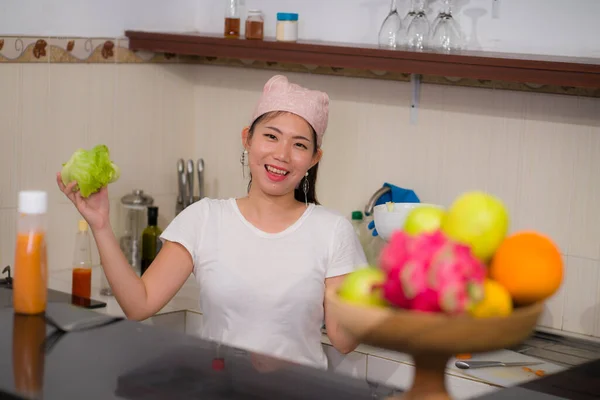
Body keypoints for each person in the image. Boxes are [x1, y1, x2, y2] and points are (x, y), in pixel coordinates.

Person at [57, 75, 367, 370]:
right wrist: (100, 224)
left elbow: (342, 339)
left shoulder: (332, 231)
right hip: (221, 387)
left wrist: (383, 292)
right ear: (247, 139)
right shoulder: (204, 218)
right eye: (271, 136)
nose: (282, 154)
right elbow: (139, 305)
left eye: (299, 144)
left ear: (314, 158)